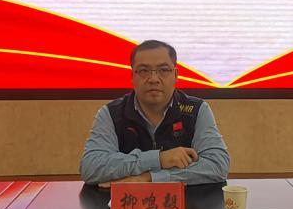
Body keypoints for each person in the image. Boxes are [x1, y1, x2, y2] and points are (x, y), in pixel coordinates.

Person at [80, 40, 230, 187]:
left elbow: (217, 164)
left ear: (176, 75)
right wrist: (158, 159)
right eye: (143, 71)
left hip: (188, 203)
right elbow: (90, 167)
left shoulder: (196, 110)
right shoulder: (111, 114)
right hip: (124, 203)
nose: (153, 79)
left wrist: (150, 178)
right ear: (132, 76)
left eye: (163, 70)